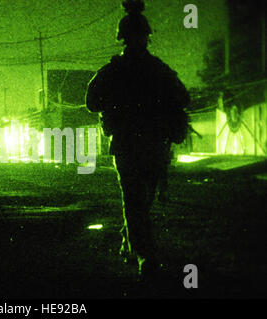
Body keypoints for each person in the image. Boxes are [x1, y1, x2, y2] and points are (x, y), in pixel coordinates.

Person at [86, 0, 190, 278]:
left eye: (138, 36)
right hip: (139, 145)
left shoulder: (117, 71)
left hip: (139, 145)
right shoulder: (154, 69)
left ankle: (132, 243)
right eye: (136, 37)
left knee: (138, 201)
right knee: (137, 200)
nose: (136, 41)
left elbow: (92, 102)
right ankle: (145, 254)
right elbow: (93, 101)